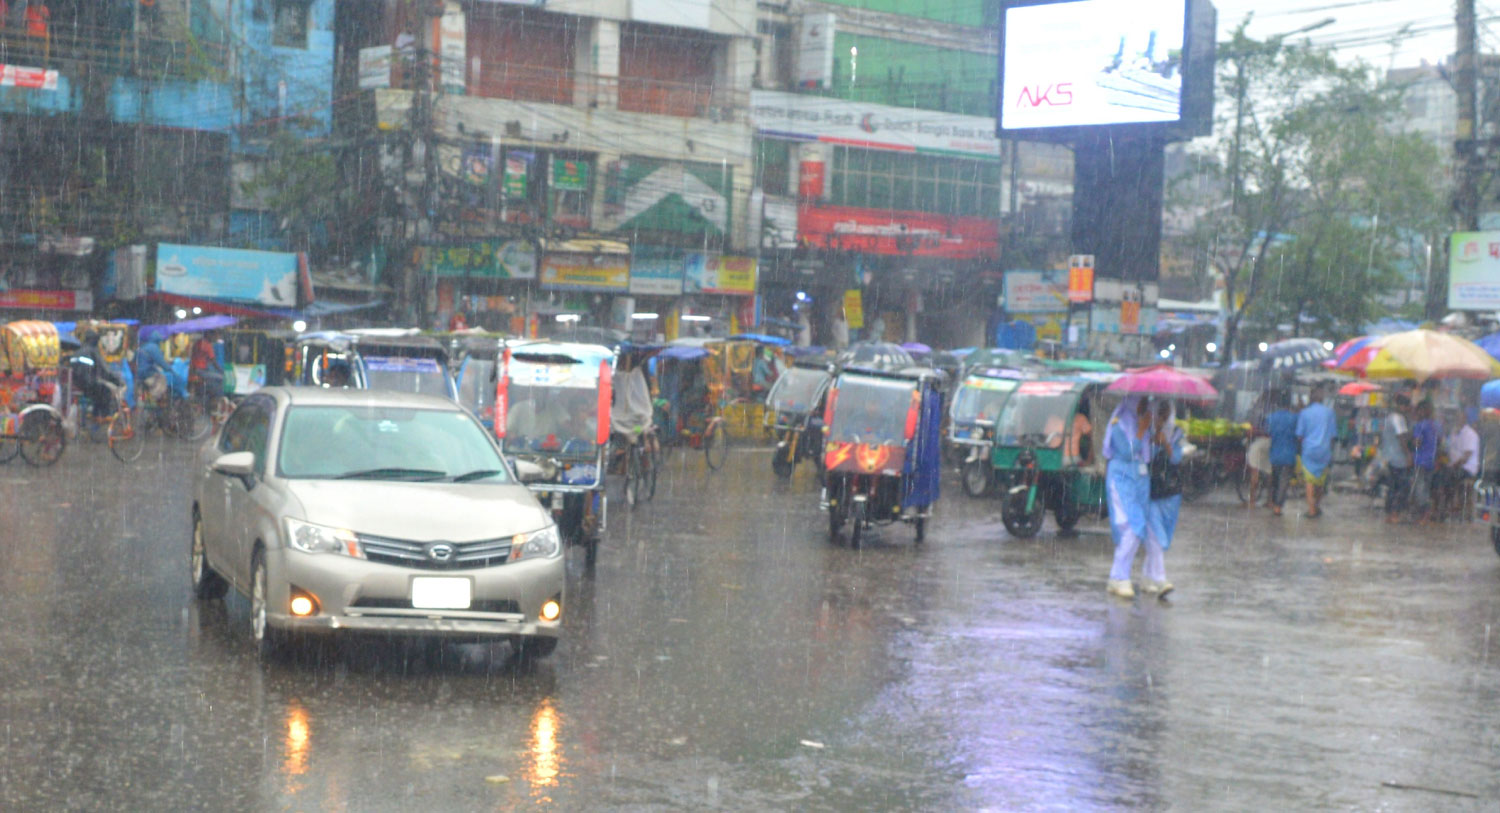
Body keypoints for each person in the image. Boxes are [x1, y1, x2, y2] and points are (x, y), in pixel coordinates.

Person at [1103, 396, 1154, 599]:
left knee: (1137, 530)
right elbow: (1126, 452)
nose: (1144, 406)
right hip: (1121, 480)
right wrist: (1142, 430)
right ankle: (1119, 577)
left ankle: (1118, 577)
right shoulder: (1120, 424)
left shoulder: (1143, 423)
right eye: (1141, 402)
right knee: (1132, 526)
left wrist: (1152, 430)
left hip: (1139, 481)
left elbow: (1146, 453)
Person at [1142, 399, 1182, 597]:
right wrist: (1150, 440)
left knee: (1161, 537)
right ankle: (1160, 578)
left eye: (1166, 414)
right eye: (1160, 414)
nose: (1163, 419)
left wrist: (1165, 443)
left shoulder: (1177, 434)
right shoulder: (1144, 432)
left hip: (1170, 494)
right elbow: (1140, 455)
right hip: (1150, 491)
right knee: (1155, 535)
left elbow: (1176, 459)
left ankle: (1147, 576)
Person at [1295, 383, 1338, 517]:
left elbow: (1299, 435)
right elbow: (1333, 436)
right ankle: (1317, 505)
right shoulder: (1329, 413)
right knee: (1320, 480)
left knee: (1309, 481)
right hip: (1324, 451)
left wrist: (1302, 447)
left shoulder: (1304, 413)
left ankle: (1311, 509)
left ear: (1311, 398)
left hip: (1309, 450)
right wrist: (1329, 450)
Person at [71, 331, 125, 421]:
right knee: (105, 390)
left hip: (76, 383)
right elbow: (104, 371)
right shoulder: (92, 352)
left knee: (98, 390)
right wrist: (117, 381)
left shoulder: (78, 351)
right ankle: (104, 415)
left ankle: (95, 414)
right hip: (88, 383)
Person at [1439, 407, 1480, 520]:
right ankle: (1446, 506)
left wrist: (1452, 465)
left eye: (1459, 417)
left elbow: (1466, 457)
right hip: (1454, 467)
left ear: (1465, 418)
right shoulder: (1454, 433)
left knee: (1448, 476)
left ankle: (1448, 507)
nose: (1457, 419)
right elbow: (1448, 450)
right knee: (1441, 475)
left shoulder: (1470, 434)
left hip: (1467, 468)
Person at [1379, 395, 1414, 523]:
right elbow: (1401, 438)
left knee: (1393, 487)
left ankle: (1390, 514)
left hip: (1390, 456)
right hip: (1398, 459)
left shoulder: (1390, 417)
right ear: (1403, 406)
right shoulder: (1398, 418)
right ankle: (1394, 514)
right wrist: (1408, 455)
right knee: (1400, 487)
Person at [1264, 390, 1299, 516]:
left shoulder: (1271, 417)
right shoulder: (1294, 418)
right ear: (1289, 405)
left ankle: (1273, 502)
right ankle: (1278, 506)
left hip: (1275, 453)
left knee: (1275, 479)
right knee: (1284, 481)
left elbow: (1267, 433)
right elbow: (1298, 435)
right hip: (1289, 453)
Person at [1410, 401, 1440, 523]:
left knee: (1419, 488)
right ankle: (1426, 514)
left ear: (1422, 411)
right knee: (1426, 488)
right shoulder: (1435, 425)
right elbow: (1440, 442)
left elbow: (1417, 443)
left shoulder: (1420, 425)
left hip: (1421, 460)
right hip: (1431, 461)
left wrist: (1411, 441)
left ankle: (1426, 512)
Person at [1244, 390, 1273, 507]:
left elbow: (1252, 428)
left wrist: (1252, 431)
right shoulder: (1274, 409)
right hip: (1271, 442)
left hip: (1259, 441)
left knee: (1254, 471)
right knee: (1270, 472)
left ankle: (1252, 501)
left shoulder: (1257, 410)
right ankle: (1270, 500)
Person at [189, 330, 225, 410]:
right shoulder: (208, 345)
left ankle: (209, 396)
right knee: (220, 377)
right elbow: (214, 362)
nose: (214, 337)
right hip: (201, 371)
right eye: (213, 335)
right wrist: (221, 371)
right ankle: (218, 398)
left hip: (194, 370)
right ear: (208, 334)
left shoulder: (197, 343)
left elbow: (197, 356)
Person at [135, 331, 171, 404]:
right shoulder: (154, 348)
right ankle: (155, 399)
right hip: (148, 374)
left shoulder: (142, 347)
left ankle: (144, 399)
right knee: (163, 379)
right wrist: (170, 369)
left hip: (138, 375)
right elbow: (162, 363)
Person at [1068, 397, 1093, 464]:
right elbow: (1093, 438)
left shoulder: (1052, 419)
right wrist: (1088, 460)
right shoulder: (1080, 418)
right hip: (1073, 458)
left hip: (1055, 458)